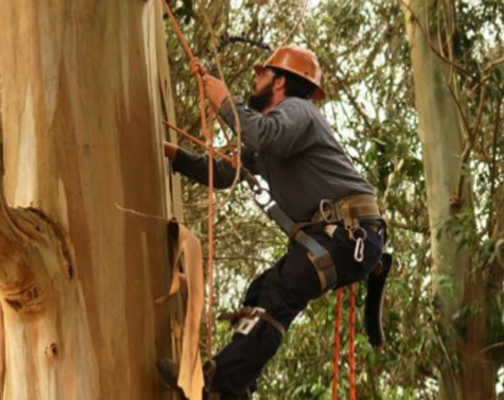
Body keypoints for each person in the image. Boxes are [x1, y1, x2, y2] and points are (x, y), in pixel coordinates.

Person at [159, 45, 388, 399]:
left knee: (278, 292)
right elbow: (225, 173)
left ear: (280, 81)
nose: (255, 79)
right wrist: (176, 157)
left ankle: (221, 385)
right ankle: (234, 388)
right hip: (337, 237)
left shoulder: (297, 111)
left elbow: (264, 134)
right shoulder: (271, 137)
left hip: (348, 232)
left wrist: (223, 101)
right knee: (261, 293)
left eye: (261, 74)